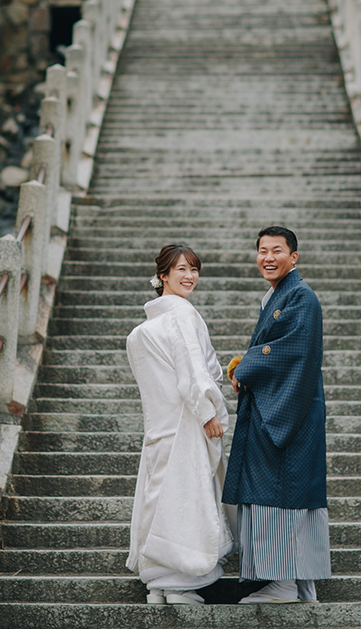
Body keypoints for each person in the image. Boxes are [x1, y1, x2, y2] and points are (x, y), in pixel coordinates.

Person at [222, 226, 330, 604]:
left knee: (281, 492)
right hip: (282, 409)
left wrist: (245, 367)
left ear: (294, 257)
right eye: (262, 251)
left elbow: (290, 351)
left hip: (288, 415)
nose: (268, 257)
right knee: (279, 492)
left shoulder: (300, 297)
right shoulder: (279, 295)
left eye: (277, 251)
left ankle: (284, 584)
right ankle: (291, 583)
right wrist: (245, 364)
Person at [125, 243, 236, 605]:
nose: (189, 276)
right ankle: (179, 583)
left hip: (159, 429)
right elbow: (193, 367)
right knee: (187, 498)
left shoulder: (148, 326)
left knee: (161, 498)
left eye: (194, 269)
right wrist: (208, 411)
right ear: (163, 276)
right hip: (186, 424)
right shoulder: (182, 314)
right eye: (181, 269)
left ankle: (158, 583)